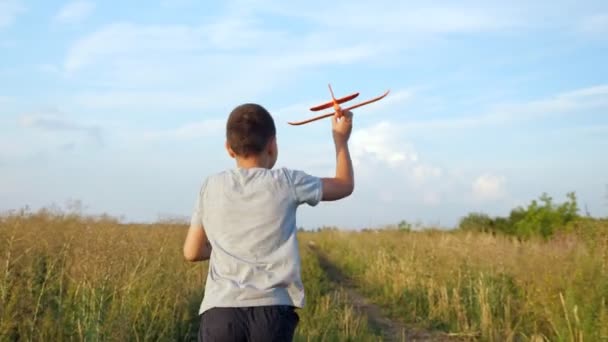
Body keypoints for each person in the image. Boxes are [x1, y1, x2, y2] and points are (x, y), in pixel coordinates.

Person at [183, 103, 354, 341]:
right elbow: (344, 185)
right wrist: (340, 140)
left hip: (220, 312)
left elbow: (192, 252)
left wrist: (230, 247)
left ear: (229, 149)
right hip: (272, 314)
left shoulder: (211, 186)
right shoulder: (287, 181)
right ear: (273, 145)